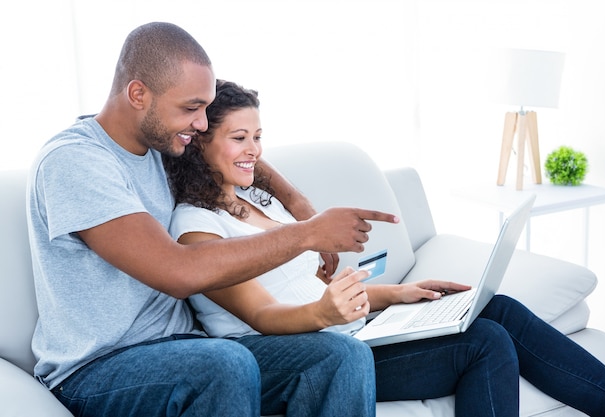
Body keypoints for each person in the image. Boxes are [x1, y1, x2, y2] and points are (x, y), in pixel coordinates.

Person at [164, 79, 605, 417]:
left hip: (345, 330)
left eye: (259, 137)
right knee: (484, 343)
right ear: (199, 143)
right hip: (307, 353)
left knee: (496, 308)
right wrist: (332, 312)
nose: (254, 152)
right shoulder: (196, 229)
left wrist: (401, 294)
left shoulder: (258, 203)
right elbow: (265, 315)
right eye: (239, 138)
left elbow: (317, 291)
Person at [27, 22, 399, 417]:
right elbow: (176, 271)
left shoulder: (159, 142)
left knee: (340, 354)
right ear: (138, 94)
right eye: (192, 108)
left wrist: (298, 202)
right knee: (224, 364)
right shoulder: (76, 162)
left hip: (186, 347)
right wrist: (307, 233)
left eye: (204, 109)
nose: (201, 124)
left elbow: (237, 151)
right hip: (98, 369)